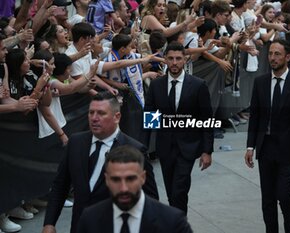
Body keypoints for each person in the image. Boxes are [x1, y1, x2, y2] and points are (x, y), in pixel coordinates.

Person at [42, 92, 158, 233]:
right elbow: (60, 185)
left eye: (101, 113)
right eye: (91, 113)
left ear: (117, 117)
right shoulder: (75, 143)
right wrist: (49, 223)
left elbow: (151, 200)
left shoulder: (135, 150)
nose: (94, 118)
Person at [244, 39, 290, 233]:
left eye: (277, 54)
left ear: (288, 57)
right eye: (271, 54)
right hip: (265, 148)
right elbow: (255, 117)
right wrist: (250, 146)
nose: (272, 58)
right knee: (267, 197)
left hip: (289, 150)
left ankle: (288, 223)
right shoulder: (260, 82)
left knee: (284, 195)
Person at [144, 42, 214, 214]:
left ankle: (178, 225)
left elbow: (207, 119)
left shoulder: (198, 85)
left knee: (179, 190)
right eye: (170, 59)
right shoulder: (156, 85)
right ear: (165, 60)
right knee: (171, 192)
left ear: (185, 60)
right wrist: (143, 149)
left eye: (178, 59)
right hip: (165, 147)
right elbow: (149, 117)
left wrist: (207, 151)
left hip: (188, 147)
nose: (174, 62)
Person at [77, 145, 193, 233]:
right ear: (106, 180)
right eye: (116, 180)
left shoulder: (173, 223)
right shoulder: (89, 220)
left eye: (130, 179)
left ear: (143, 178)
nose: (123, 188)